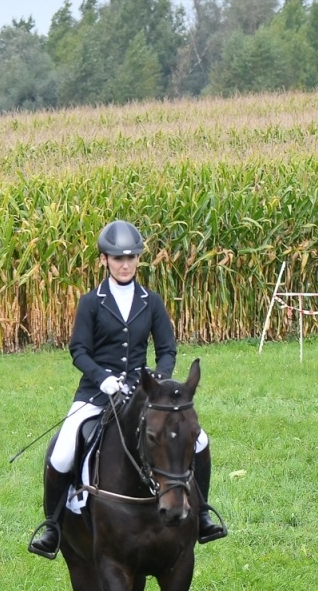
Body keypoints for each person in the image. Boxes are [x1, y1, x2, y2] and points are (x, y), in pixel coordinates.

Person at [28, 221, 226, 559]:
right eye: (118, 258)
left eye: (131, 258)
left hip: (143, 393)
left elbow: (167, 349)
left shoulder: (151, 301)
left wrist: (159, 380)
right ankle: (52, 527)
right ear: (104, 260)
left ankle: (203, 514)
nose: (125, 264)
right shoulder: (92, 302)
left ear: (138, 260)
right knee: (61, 451)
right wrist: (103, 378)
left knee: (201, 440)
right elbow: (79, 350)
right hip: (95, 393)